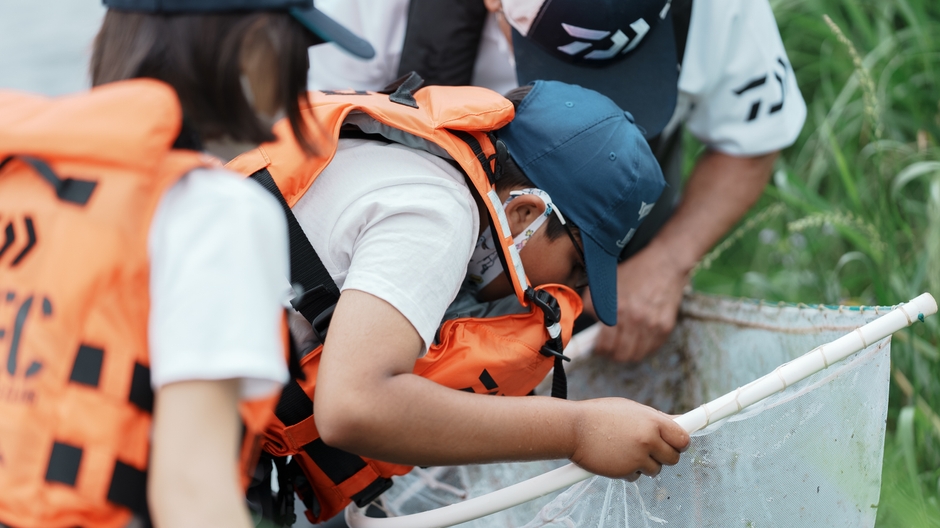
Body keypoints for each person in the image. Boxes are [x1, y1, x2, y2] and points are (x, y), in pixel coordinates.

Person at [227, 79, 691, 525]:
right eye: (577, 266)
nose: (573, 289)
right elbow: (353, 407)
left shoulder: (406, 165)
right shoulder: (437, 212)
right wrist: (578, 430)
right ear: (526, 213)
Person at [0, 1, 373, 527]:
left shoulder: (19, 171)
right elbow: (192, 493)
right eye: (297, 51)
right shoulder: (210, 209)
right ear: (255, 49)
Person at [307, 0, 807, 363]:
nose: (590, 103)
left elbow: (755, 136)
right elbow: (313, 153)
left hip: (599, 232)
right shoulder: (364, 13)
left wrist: (667, 263)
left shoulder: (722, 12)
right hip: (398, 231)